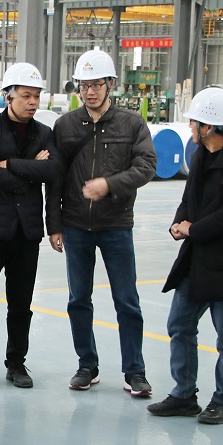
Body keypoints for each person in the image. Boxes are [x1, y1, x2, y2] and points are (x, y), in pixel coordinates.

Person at [147, 87, 223, 425]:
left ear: (209, 126)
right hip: (196, 260)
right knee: (179, 325)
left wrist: (192, 229)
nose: (190, 127)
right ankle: (184, 395)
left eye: (193, 122)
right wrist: (178, 223)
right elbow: (189, 199)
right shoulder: (200, 156)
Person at [46, 49, 157, 395]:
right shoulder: (65, 125)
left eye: (96, 84)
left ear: (110, 84)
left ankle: (134, 371)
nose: (90, 92)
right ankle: (86, 365)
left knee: (127, 300)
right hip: (75, 225)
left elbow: (146, 166)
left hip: (116, 225)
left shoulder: (132, 124)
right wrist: (54, 225)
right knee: (78, 299)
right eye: (84, 85)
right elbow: (55, 178)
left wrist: (110, 185)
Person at [0, 63, 61, 389]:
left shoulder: (44, 133)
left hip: (27, 231)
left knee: (21, 305)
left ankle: (16, 364)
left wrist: (10, 164)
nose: (33, 102)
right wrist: (30, 170)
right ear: (8, 96)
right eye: (26, 95)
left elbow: (53, 172)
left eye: (36, 96)